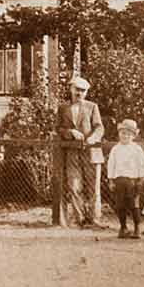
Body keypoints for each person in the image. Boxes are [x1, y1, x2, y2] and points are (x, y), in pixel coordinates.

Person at [56, 75, 104, 226]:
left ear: (86, 92)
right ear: (70, 89)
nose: (79, 93)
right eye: (77, 89)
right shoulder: (63, 108)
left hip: (91, 152)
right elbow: (58, 128)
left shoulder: (92, 107)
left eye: (83, 91)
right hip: (72, 153)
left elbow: (99, 127)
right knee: (74, 186)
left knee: (92, 187)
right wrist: (70, 132)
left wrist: (93, 138)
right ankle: (80, 219)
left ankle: (94, 219)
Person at [106, 119, 144, 239]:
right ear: (119, 134)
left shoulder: (137, 149)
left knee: (134, 204)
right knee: (120, 205)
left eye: (128, 134)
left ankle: (137, 227)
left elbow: (142, 164)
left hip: (133, 181)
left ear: (133, 136)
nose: (125, 136)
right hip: (119, 181)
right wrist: (111, 180)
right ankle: (123, 227)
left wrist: (141, 179)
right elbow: (111, 165)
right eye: (123, 133)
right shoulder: (115, 149)